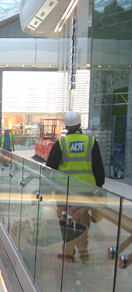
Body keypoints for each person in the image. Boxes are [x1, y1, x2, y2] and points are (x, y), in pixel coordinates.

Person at [46, 111, 105, 262]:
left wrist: (46, 186)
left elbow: (50, 167)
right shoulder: (91, 142)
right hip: (85, 190)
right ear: (80, 124)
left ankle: (68, 253)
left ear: (65, 126)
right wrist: (99, 186)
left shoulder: (61, 143)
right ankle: (83, 251)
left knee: (65, 220)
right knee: (83, 221)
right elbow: (98, 167)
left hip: (64, 190)